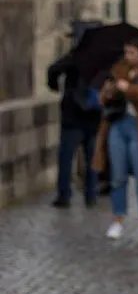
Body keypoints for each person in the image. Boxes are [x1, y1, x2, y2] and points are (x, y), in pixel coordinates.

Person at [93, 39, 138, 241]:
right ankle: (118, 218)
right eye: (126, 52)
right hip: (117, 125)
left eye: (132, 52)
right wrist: (110, 90)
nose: (128, 57)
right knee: (117, 175)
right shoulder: (117, 71)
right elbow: (102, 100)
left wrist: (130, 89)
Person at [47, 21, 103, 208]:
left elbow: (53, 70)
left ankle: (65, 195)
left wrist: (55, 86)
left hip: (72, 116)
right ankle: (91, 195)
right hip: (94, 116)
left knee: (66, 158)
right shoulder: (102, 61)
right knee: (92, 160)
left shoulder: (75, 57)